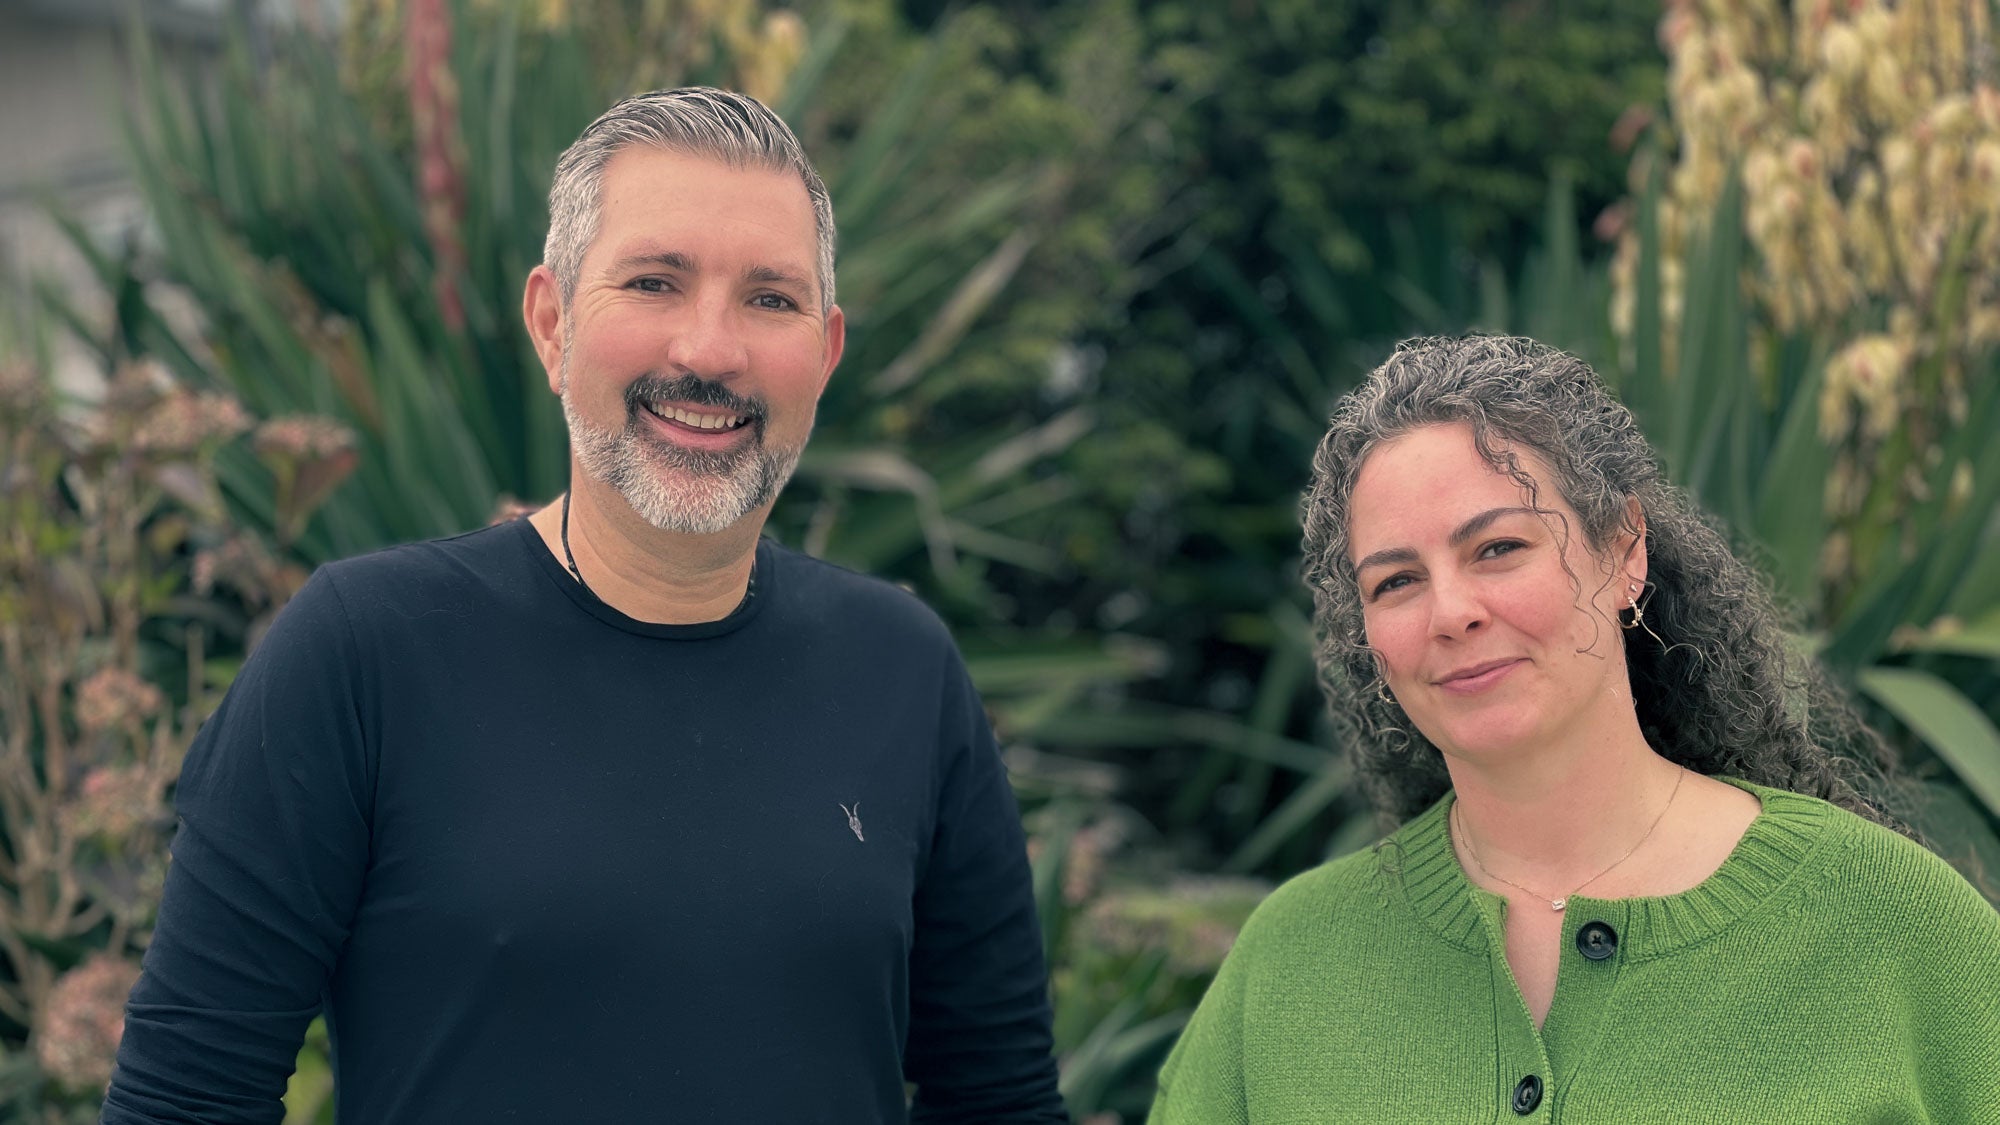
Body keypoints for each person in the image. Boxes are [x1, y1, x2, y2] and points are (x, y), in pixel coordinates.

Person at [103, 88, 1067, 1124]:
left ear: (824, 356)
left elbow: (997, 1104)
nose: (709, 351)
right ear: (552, 323)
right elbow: (184, 1107)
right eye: (654, 281)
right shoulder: (365, 655)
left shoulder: (901, 671)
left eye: (769, 299)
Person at [1148, 335, 2000, 1123]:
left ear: (1625, 550)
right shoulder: (1287, 965)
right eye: (1397, 582)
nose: (1451, 612)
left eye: (1497, 549)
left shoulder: (1897, 926)